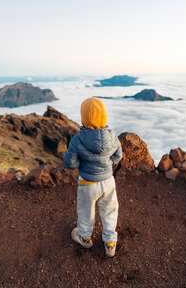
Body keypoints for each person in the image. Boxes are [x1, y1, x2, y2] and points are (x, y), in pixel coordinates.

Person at [63, 97, 122, 257]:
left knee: (85, 211)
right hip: (108, 181)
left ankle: (85, 238)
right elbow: (118, 155)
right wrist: (107, 163)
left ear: (84, 117)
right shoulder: (112, 136)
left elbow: (70, 164)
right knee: (109, 211)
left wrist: (80, 162)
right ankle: (110, 243)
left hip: (88, 183)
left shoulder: (77, 140)